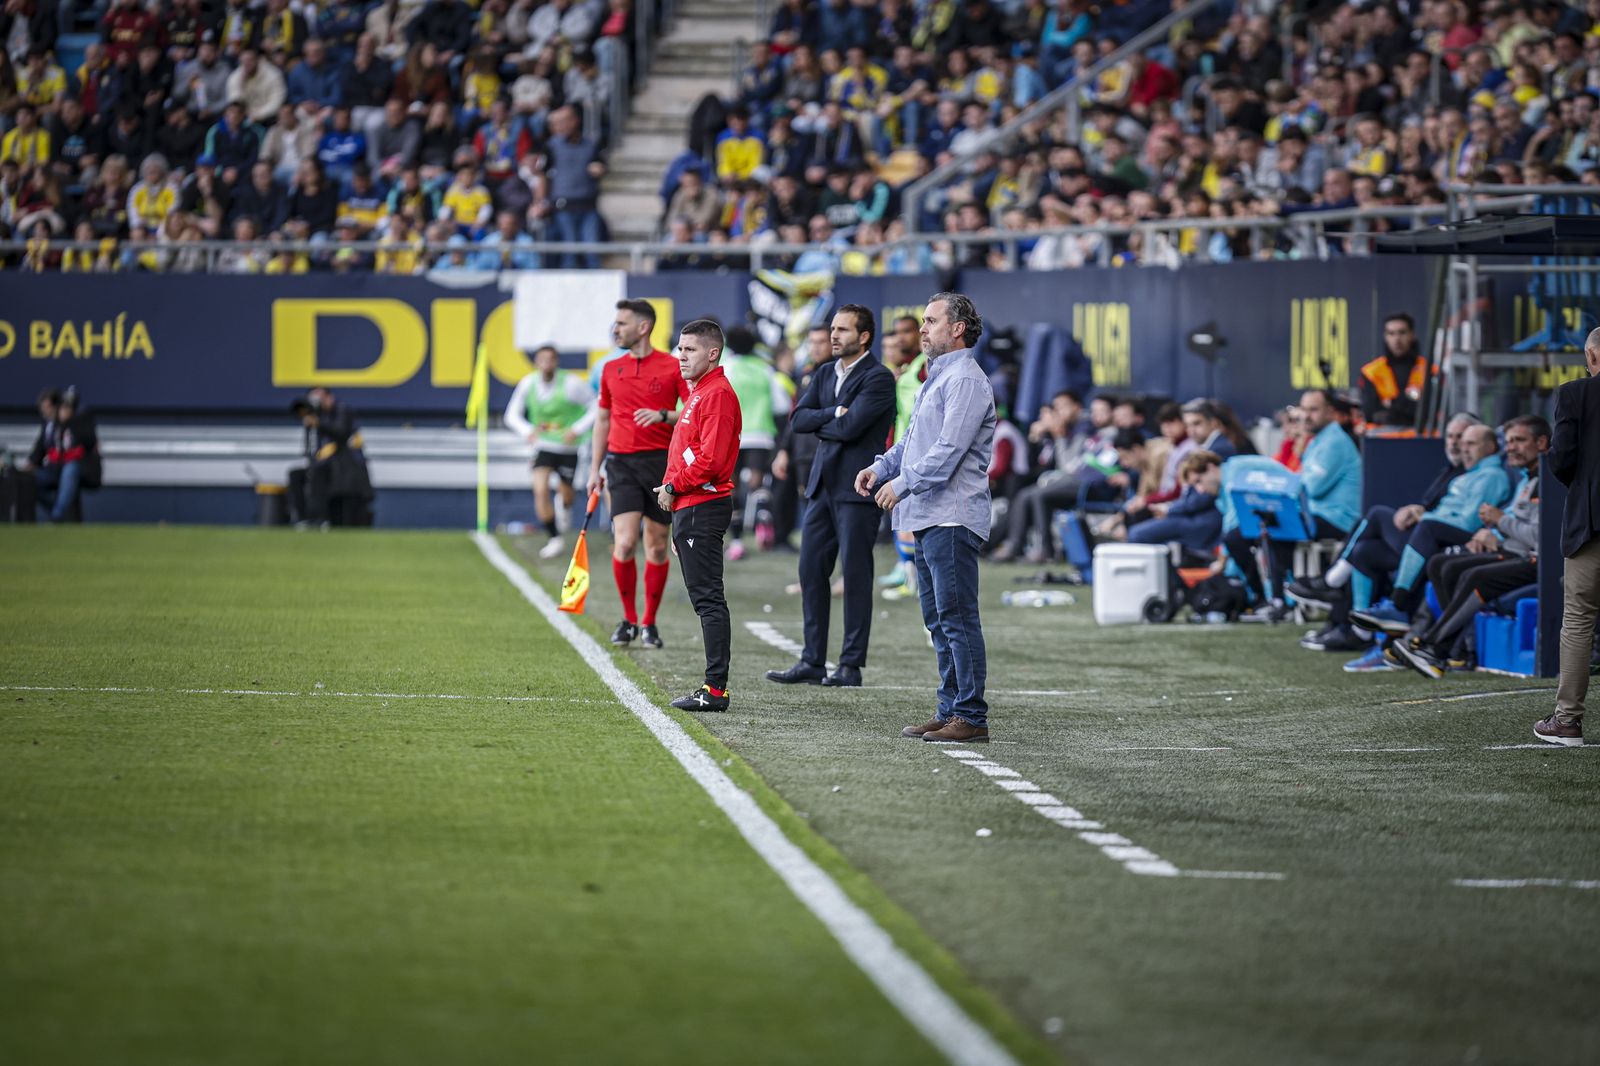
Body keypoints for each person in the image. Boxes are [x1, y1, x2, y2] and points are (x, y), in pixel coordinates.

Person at [858, 292, 996, 744]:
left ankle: (970, 715)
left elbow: (948, 452)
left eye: (931, 321)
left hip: (952, 514)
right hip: (930, 514)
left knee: (956, 618)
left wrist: (901, 483)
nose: (922, 329)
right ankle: (950, 709)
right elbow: (913, 442)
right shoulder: (936, 378)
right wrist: (882, 466)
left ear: (958, 328)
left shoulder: (966, 381)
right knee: (938, 620)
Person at [766, 304, 896, 689]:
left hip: (857, 489)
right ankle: (812, 660)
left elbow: (852, 427)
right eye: (833, 329)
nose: (834, 335)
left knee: (855, 576)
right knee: (810, 572)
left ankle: (850, 666)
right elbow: (798, 420)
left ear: (865, 336)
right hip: (822, 486)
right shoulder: (823, 372)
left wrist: (826, 419)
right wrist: (833, 414)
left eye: (842, 330)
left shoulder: (879, 378)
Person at [1395, 415, 1550, 678]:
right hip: (1514, 551)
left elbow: (1539, 538)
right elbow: (1514, 525)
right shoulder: (1527, 478)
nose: (1511, 447)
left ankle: (1434, 645)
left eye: (1520, 441)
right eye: (1509, 441)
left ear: (1542, 442)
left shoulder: (1548, 479)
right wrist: (1494, 532)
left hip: (1537, 559)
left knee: (1473, 575)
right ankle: (1456, 649)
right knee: (1441, 564)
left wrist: (1500, 523)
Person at [587, 299, 689, 649]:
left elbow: (693, 412)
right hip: (620, 464)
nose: (616, 329)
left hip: (661, 464)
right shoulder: (609, 369)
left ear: (643, 327)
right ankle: (629, 619)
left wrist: (663, 415)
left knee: (657, 547)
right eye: (615, 323)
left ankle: (649, 623)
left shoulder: (673, 367)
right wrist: (594, 468)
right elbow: (602, 420)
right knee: (626, 541)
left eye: (622, 323)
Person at [1347, 422, 1510, 635]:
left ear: (1489, 448)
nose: (1464, 448)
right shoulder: (1467, 475)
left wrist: (1424, 516)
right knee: (1366, 551)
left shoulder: (1492, 477)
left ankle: (1394, 604)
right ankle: (1360, 623)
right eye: (1462, 443)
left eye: (1471, 443)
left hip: (1459, 540)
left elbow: (1469, 523)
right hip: (1430, 539)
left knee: (1382, 515)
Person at [655, 319, 743, 712]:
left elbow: (711, 458)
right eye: (679, 348)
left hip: (700, 506)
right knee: (704, 598)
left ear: (712, 353)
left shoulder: (717, 393)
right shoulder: (701, 392)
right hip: (690, 507)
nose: (680, 356)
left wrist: (674, 487)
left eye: (689, 349)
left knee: (708, 599)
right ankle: (714, 686)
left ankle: (715, 690)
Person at [1225, 389, 1361, 622]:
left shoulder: (1335, 441)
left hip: (1339, 519)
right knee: (1245, 532)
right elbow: (1299, 484)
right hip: (1315, 515)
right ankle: (1270, 598)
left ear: (1330, 412)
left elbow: (1311, 488)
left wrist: (1283, 485)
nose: (1306, 416)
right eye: (1304, 409)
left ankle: (1288, 598)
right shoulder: (1319, 440)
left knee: (1274, 526)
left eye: (1313, 410)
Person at [1535, 328, 1600, 747]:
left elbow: (1561, 459)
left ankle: (1567, 722)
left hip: (1591, 524)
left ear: (1592, 356)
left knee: (1578, 620)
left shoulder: (1575, 394)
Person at [503, 345, 596, 560]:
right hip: (543, 446)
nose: (546, 364)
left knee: (566, 495)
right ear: (536, 362)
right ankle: (554, 538)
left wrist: (577, 429)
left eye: (550, 359)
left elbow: (595, 405)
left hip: (568, 448)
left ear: (556, 362)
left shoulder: (572, 384)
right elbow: (512, 415)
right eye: (542, 359)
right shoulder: (529, 384)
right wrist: (528, 431)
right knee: (540, 490)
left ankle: (564, 506)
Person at [720, 326, 792, 559]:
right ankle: (762, 515)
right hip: (761, 434)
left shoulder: (726, 368)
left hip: (731, 436)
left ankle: (738, 542)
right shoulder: (765, 370)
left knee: (732, 488)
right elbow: (781, 406)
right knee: (757, 483)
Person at [287, 387, 373, 527]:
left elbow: (340, 433)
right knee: (295, 475)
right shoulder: (316, 417)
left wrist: (319, 424)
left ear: (329, 397)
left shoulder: (342, 410)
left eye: (320, 399)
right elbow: (311, 448)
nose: (317, 404)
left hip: (344, 467)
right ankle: (302, 519)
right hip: (321, 465)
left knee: (318, 472)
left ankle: (321, 519)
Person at [29, 387, 100, 523]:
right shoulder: (49, 426)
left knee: (70, 469)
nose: (45, 411)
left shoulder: (80, 419)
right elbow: (39, 451)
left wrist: (68, 421)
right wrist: (30, 465)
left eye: (48, 407)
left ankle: (56, 516)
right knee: (30, 480)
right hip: (54, 469)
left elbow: (89, 441)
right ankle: (56, 513)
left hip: (80, 469)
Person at [1359, 312, 1429, 430]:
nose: (1397, 339)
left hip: (1419, 440)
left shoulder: (1429, 370)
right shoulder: (1371, 372)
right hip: (1383, 441)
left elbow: (1427, 411)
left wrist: (1390, 403)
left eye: (1402, 333)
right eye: (1391, 334)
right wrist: (1406, 402)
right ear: (1385, 337)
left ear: (1412, 335)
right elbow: (1371, 413)